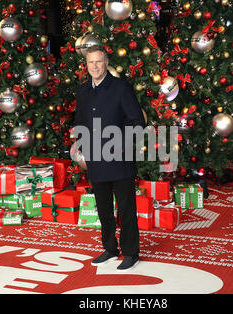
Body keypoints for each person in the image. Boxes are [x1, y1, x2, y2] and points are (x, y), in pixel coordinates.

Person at [73, 45, 146, 271]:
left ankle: (131, 252)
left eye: (98, 62)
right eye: (90, 62)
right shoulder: (83, 90)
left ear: (106, 63)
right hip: (95, 159)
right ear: (86, 66)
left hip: (119, 159)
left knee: (125, 208)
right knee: (103, 208)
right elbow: (80, 122)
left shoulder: (120, 88)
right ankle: (109, 247)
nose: (94, 66)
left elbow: (138, 122)